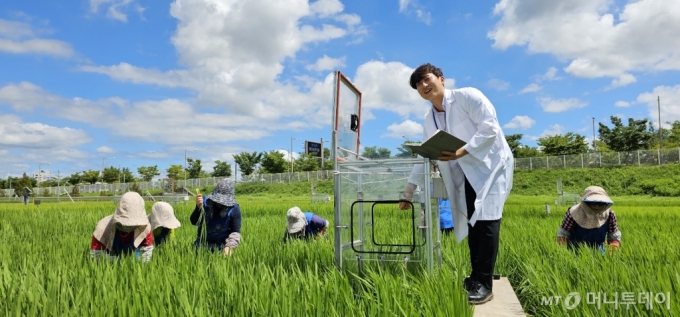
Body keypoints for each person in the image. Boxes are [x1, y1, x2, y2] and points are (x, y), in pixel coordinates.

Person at [399, 63, 514, 305]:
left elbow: (490, 127)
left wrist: (462, 150)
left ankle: (484, 284)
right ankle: (476, 277)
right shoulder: (429, 118)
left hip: (491, 168)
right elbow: (424, 155)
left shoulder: (467, 96)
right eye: (418, 85)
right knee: (473, 223)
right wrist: (408, 191)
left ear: (441, 79)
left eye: (426, 79)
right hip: (465, 173)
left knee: (487, 223)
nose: (423, 86)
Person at [90, 192, 154, 262]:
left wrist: (142, 267)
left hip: (134, 259)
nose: (129, 226)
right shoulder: (102, 228)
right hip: (108, 262)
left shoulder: (145, 228)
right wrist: (116, 260)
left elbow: (147, 253)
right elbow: (95, 255)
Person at [557, 186, 621, 255]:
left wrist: (612, 250)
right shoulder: (574, 213)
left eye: (600, 203)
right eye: (593, 203)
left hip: (598, 251)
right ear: (585, 202)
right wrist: (563, 253)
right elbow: (563, 234)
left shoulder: (609, 214)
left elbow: (613, 236)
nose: (597, 206)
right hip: (574, 250)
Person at [191, 178, 241, 256]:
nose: (220, 203)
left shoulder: (234, 208)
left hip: (222, 245)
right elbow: (194, 222)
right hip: (201, 243)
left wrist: (229, 247)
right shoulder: (204, 202)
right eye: (218, 200)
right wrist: (198, 207)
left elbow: (235, 231)